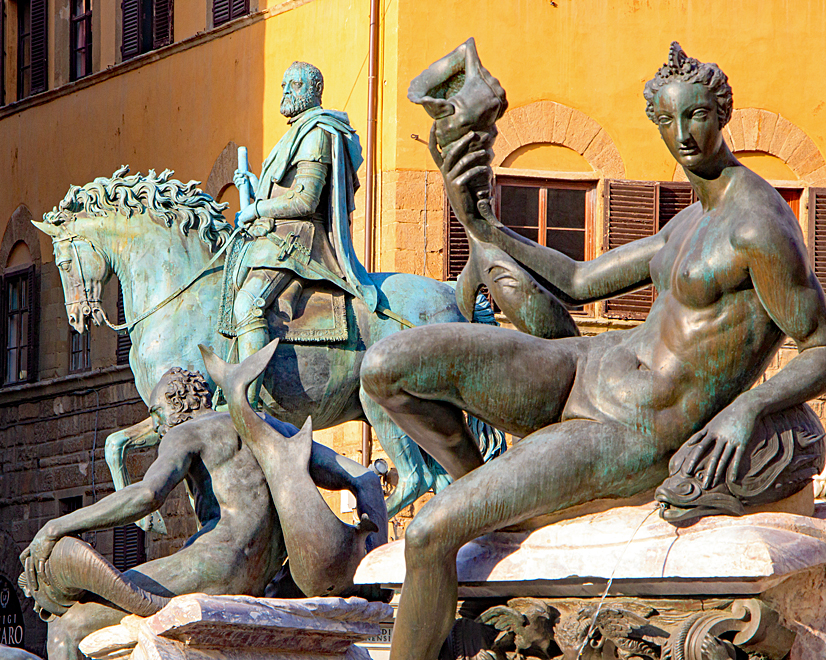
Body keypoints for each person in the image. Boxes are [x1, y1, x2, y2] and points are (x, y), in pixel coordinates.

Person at [360, 42, 826, 660]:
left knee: (425, 536)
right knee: (385, 368)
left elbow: (821, 345)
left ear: (723, 114)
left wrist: (747, 408)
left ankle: (479, 508)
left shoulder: (759, 225)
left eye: (697, 117)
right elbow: (579, 280)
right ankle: (490, 496)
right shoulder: (688, 221)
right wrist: (485, 223)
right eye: (668, 120)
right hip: (584, 367)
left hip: (628, 429)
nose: (684, 134)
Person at [20, 368, 386, 660]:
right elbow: (364, 477)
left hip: (215, 561)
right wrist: (373, 563)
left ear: (176, 403)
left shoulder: (186, 432)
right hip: (261, 577)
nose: (157, 425)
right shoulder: (270, 427)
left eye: (156, 413)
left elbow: (147, 495)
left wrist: (57, 525)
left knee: (68, 625)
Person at [230, 61, 377, 407]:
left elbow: (307, 199)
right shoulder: (294, 132)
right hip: (277, 236)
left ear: (311, 91)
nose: (284, 92)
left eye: (292, 86)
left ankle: (245, 405)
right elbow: (285, 191)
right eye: (282, 85)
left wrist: (256, 209)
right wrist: (255, 189)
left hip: (301, 240)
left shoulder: (316, 132)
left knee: (247, 303)